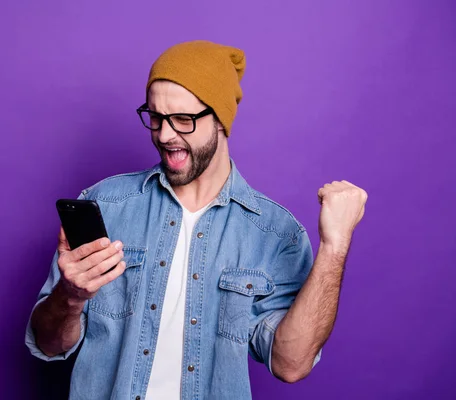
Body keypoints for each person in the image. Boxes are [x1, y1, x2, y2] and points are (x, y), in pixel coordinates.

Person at [25, 40, 368, 399]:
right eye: (156, 118)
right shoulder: (106, 204)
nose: (165, 135)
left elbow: (291, 364)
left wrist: (334, 246)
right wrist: (70, 297)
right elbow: (49, 345)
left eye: (184, 120)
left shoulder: (274, 233)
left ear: (220, 119)